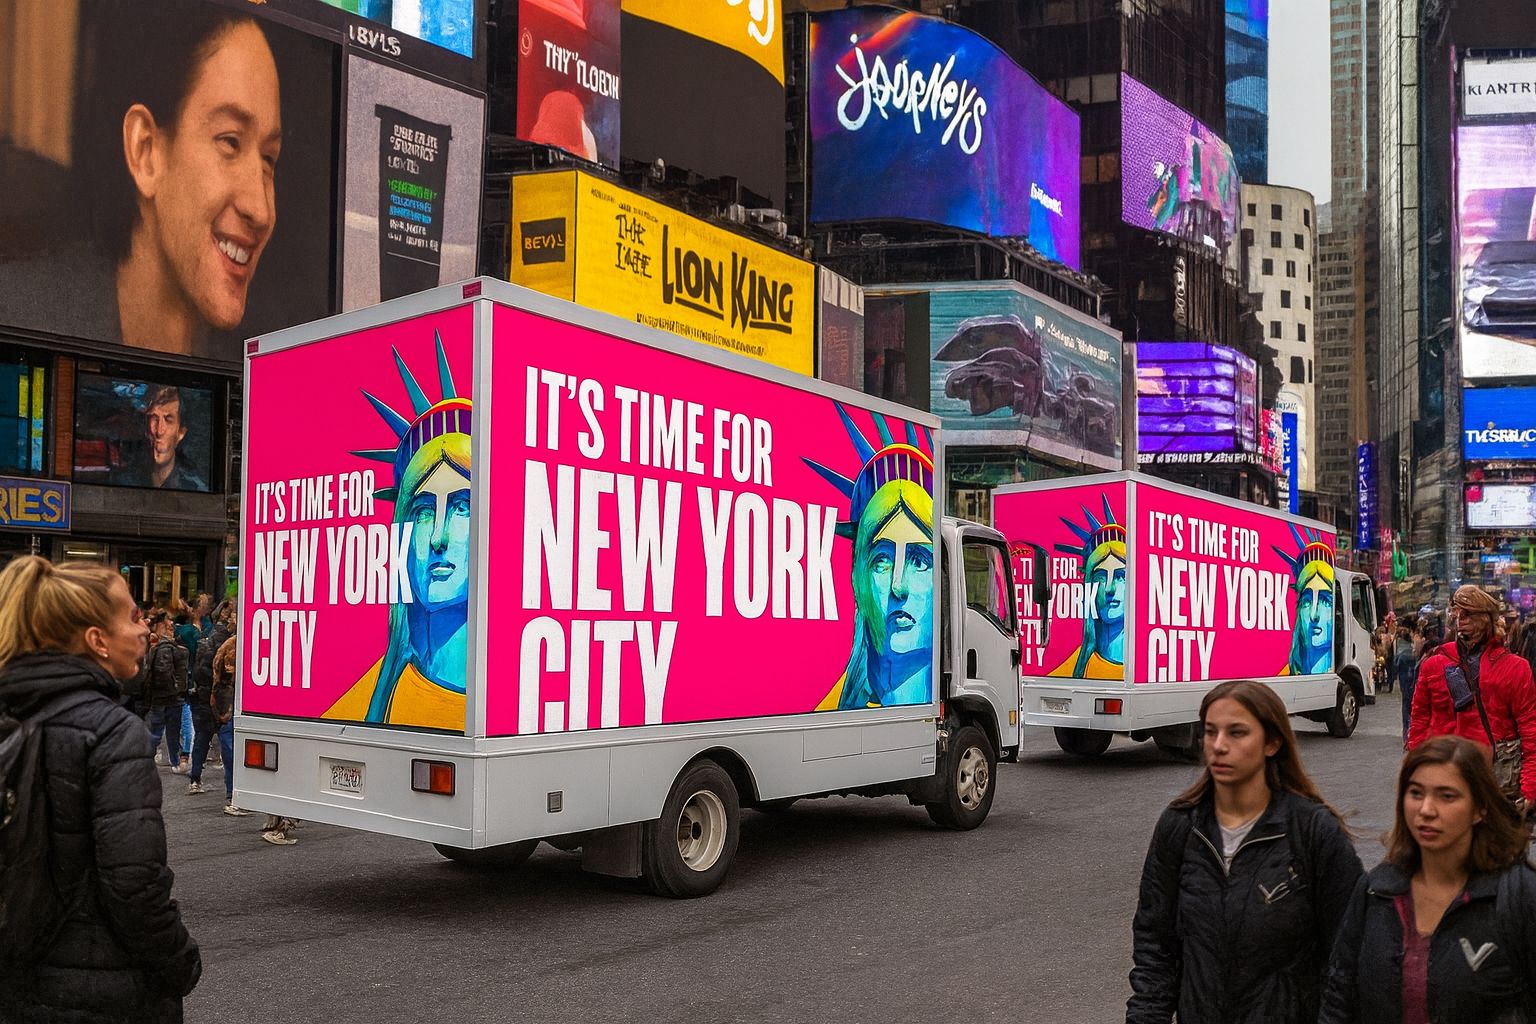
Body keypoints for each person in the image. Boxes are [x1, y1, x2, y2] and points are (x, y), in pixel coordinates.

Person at [0, 556, 200, 1021]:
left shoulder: (14, 715)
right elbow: (135, 885)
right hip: (102, 989)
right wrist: (180, 962)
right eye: (132, 618)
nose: (146, 629)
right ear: (97, 642)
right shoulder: (112, 732)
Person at [1126, 680, 1364, 1024]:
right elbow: (1154, 947)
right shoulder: (1180, 826)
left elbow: (1347, 956)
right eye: (1210, 732)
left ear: (1272, 742)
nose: (1219, 746)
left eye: (1237, 733)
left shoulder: (1312, 831)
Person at [91, 9, 284, 357]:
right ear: (146, 151)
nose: (261, 209)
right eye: (230, 141)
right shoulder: (29, 305)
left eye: (268, 159)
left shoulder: (267, 373)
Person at [1319, 736, 1536, 1023]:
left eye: (1447, 796)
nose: (1426, 810)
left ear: (1480, 808)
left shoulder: (1517, 896)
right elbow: (1339, 995)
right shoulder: (1376, 891)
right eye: (1416, 793)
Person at [324, 332, 471, 729]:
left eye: (462, 507)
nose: (438, 537)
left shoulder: (517, 696)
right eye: (423, 512)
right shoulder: (356, 707)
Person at [804, 403, 936, 710]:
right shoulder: (828, 709)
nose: (898, 585)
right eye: (882, 560)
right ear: (858, 578)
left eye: (919, 560)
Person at [1407, 584, 1536, 816]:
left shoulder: (1516, 668)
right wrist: (1415, 772)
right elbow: (1419, 723)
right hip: (1444, 776)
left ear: (1486, 619)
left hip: (1497, 782)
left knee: (1498, 850)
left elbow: (1530, 731)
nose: (1460, 619)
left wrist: (1530, 788)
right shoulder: (1434, 664)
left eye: (1468, 614)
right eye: (1457, 613)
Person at [1049, 497, 1127, 679]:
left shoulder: (1147, 666)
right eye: (1100, 577)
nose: (1110, 588)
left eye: (1120, 576)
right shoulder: (1066, 672)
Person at [118, 386, 207, 491]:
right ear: (145, 426)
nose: (159, 431)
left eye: (168, 420)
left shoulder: (195, 488)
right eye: (153, 418)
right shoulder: (123, 482)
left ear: (181, 432)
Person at [186, 601, 232, 795]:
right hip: (219, 697)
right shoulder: (228, 641)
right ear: (224, 616)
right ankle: (232, 791)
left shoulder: (207, 637)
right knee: (227, 743)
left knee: (202, 739)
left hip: (203, 696)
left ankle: (195, 778)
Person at [143, 613, 190, 773]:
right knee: (167, 732)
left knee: (159, 731)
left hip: (162, 697)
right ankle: (173, 762)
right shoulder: (167, 649)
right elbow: (164, 672)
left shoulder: (159, 649)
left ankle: (151, 760)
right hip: (169, 698)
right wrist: (176, 688)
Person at [212, 619, 249, 816]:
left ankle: (234, 795)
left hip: (227, 709)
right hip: (229, 710)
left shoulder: (231, 645)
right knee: (232, 755)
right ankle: (233, 797)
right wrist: (225, 712)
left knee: (232, 754)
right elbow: (225, 680)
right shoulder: (234, 647)